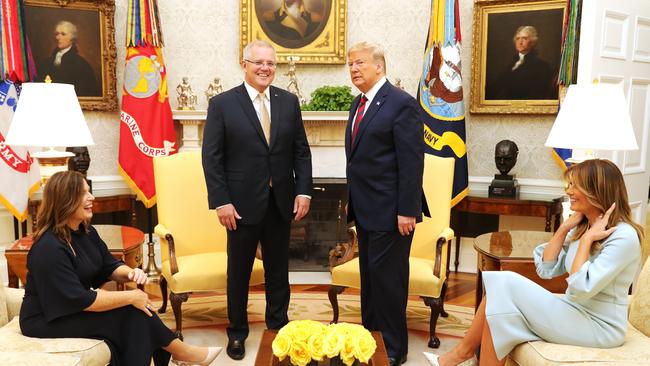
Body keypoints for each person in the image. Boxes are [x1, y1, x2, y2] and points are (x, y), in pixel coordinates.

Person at [429, 159, 645, 366]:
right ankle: (462, 354)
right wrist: (564, 228)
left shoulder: (622, 237)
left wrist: (588, 240)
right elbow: (547, 268)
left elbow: (580, 288)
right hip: (574, 309)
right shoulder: (586, 226)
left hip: (599, 326)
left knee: (504, 283)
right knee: (500, 309)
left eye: (575, 186)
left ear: (596, 191)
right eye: (569, 185)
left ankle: (461, 354)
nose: (569, 191)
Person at [19, 171, 221, 366]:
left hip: (71, 308)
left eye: (90, 191)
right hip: (46, 319)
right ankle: (182, 352)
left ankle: (181, 353)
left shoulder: (86, 233)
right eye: (84, 193)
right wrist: (131, 296)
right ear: (65, 199)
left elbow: (108, 265)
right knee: (132, 313)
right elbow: (81, 299)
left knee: (135, 314)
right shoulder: (48, 248)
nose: (92, 198)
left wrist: (130, 272)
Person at [201, 40, 312, 361]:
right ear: (244, 63)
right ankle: (237, 334)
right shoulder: (223, 104)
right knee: (239, 273)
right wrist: (221, 201)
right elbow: (212, 158)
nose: (265, 68)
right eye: (258, 62)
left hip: (281, 203)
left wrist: (303, 190)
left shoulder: (289, 102)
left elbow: (300, 152)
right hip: (239, 206)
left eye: (271, 63)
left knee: (279, 271)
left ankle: (278, 327)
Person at [345, 41, 428, 366]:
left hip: (393, 212)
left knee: (389, 282)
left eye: (360, 63)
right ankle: (371, 339)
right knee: (370, 279)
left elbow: (412, 161)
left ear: (379, 66)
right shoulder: (358, 104)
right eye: (350, 64)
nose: (353, 69)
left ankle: (395, 349)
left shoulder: (400, 103)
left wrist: (407, 209)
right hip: (366, 210)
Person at [486, 25, 557, 100]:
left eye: (524, 38)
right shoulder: (510, 64)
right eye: (517, 38)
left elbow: (538, 94)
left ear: (533, 42)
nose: (520, 42)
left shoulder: (541, 66)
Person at [37, 20, 100, 97]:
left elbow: (89, 92)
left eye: (63, 34)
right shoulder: (47, 62)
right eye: (57, 34)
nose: (58, 37)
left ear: (72, 39)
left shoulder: (81, 65)